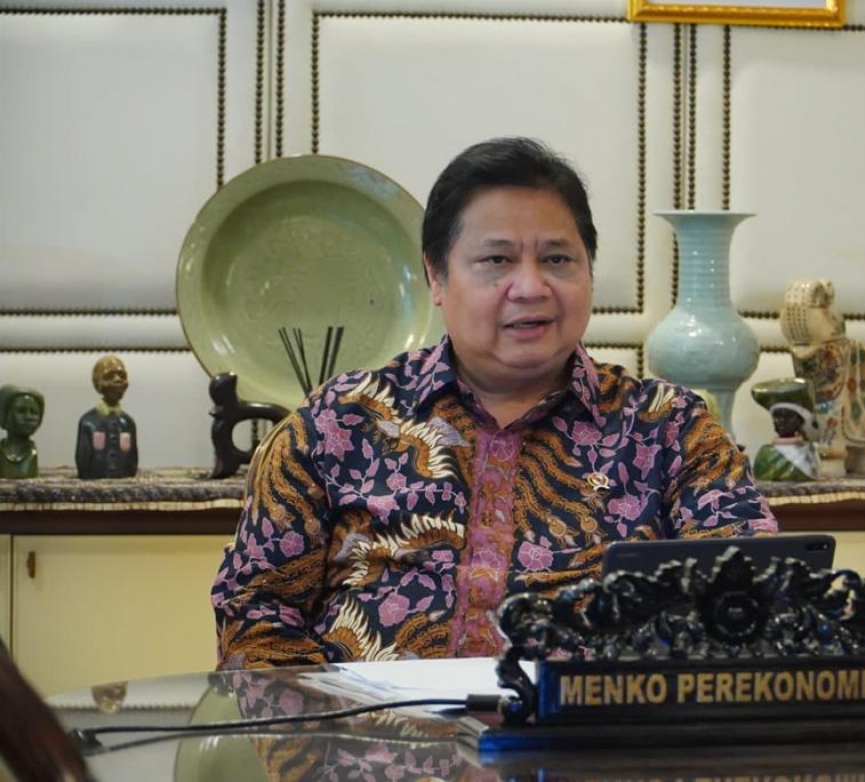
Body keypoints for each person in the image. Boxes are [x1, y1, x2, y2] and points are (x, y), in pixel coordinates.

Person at [212, 137, 777, 670]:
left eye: (558, 259)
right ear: (436, 276)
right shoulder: (338, 422)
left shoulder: (669, 429)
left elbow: (752, 603)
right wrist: (328, 731)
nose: (530, 287)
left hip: (595, 734)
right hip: (370, 736)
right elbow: (255, 613)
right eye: (497, 260)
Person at [75, 355, 138, 479]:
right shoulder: (88, 422)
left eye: (122, 376)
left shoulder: (128, 423)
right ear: (98, 383)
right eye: (110, 376)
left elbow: (133, 459)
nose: (117, 380)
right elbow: (83, 460)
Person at [0, 385, 44, 479]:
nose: (28, 417)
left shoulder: (32, 452)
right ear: (4, 415)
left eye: (34, 412)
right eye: (21, 411)